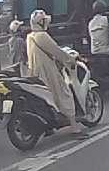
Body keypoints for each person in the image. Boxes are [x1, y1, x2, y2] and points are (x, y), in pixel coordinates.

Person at [26, 9, 89, 137]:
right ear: (41, 22)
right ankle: (74, 127)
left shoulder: (30, 36)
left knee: (48, 99)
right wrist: (70, 60)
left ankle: (49, 127)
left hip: (35, 73)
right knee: (65, 95)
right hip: (48, 72)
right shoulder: (42, 36)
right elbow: (57, 51)